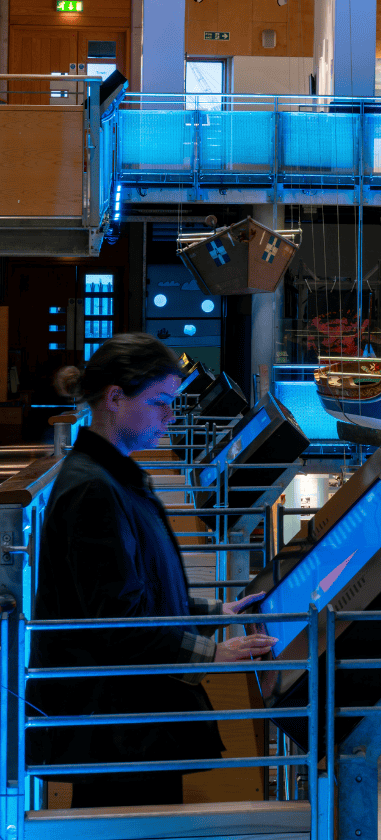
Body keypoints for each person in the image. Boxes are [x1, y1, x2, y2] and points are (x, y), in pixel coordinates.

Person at [27, 334, 277, 808]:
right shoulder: (93, 491)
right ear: (115, 398)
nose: (170, 415)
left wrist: (211, 610)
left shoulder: (109, 475)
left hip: (126, 724)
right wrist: (212, 653)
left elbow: (134, 593)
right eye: (160, 402)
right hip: (117, 730)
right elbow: (115, 624)